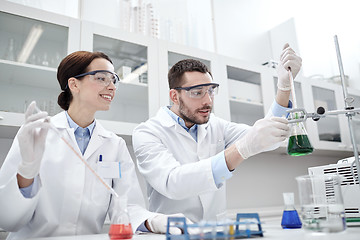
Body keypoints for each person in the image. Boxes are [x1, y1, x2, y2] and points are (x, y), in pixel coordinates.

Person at [0, 51, 188, 239]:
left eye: (114, 80)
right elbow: (7, 218)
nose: (112, 87)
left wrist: (152, 221)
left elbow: (126, 205)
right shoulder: (36, 133)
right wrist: (26, 173)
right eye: (102, 78)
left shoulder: (114, 145)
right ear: (74, 84)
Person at [132, 44, 302, 222]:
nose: (208, 101)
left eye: (211, 91)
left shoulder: (216, 125)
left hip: (216, 231)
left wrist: (284, 88)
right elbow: (173, 183)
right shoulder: (148, 132)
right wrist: (240, 150)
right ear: (174, 96)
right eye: (197, 93)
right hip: (174, 233)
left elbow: (267, 137)